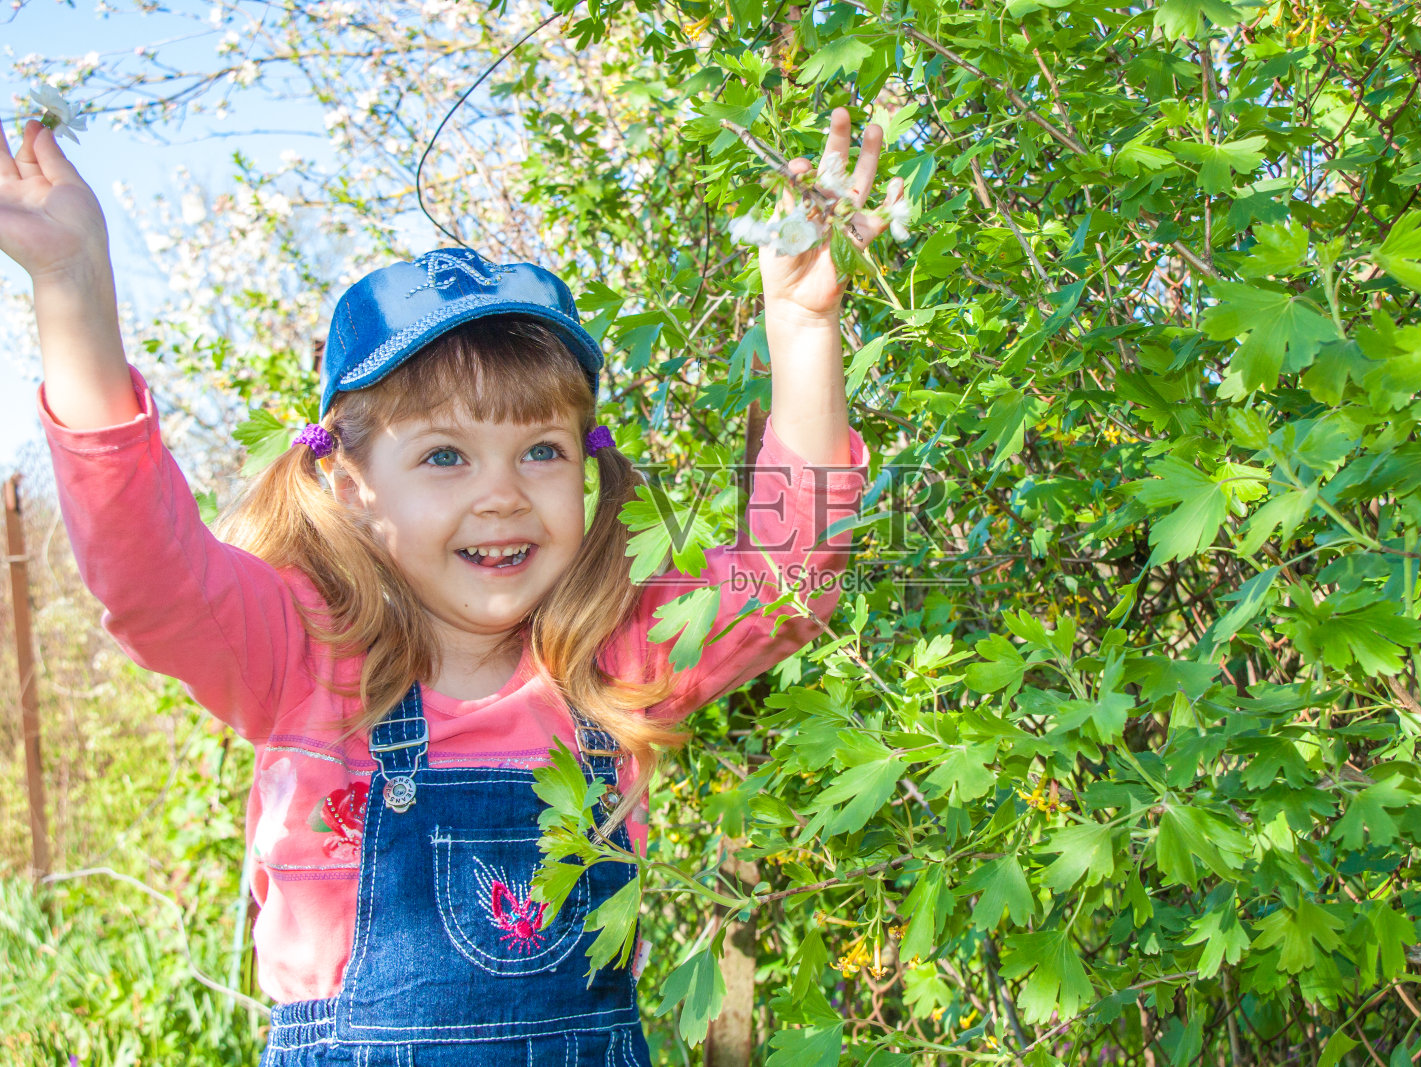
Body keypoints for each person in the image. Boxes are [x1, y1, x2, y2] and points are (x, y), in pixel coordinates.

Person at [1, 105, 901, 1063]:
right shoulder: (299, 656)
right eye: (443, 456)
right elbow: (151, 578)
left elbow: (791, 580)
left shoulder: (617, 654)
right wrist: (72, 289)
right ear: (350, 488)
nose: (502, 496)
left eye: (541, 451)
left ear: (586, 468)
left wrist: (804, 328)